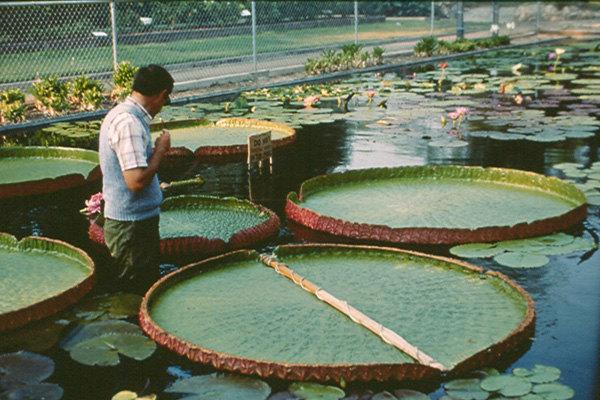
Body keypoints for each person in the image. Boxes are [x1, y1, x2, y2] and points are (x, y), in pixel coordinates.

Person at [98, 64, 173, 293]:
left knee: (139, 289)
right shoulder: (128, 123)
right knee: (136, 293)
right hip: (131, 228)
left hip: (134, 224)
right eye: (166, 99)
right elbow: (136, 181)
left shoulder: (123, 115)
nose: (163, 106)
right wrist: (160, 150)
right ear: (161, 94)